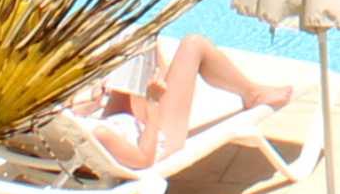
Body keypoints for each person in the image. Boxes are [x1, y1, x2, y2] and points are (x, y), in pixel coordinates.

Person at [70, 34, 296, 173]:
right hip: (157, 138)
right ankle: (252, 93)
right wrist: (153, 103)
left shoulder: (52, 121)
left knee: (141, 40)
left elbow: (76, 117)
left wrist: (92, 101)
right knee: (193, 45)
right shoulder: (101, 134)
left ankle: (171, 80)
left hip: (118, 125)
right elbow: (145, 159)